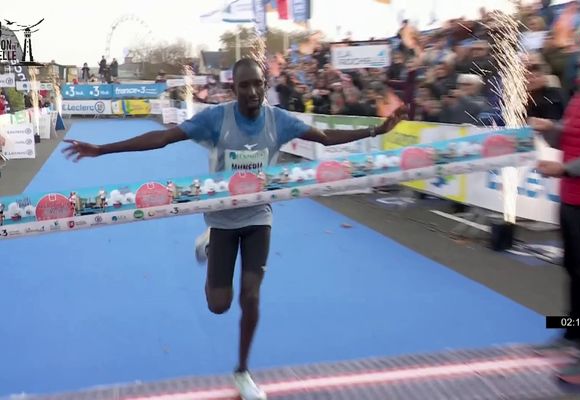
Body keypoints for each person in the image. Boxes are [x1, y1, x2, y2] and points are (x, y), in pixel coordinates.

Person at [62, 57, 404, 400]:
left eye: (258, 84)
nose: (252, 91)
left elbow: (325, 137)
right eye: (244, 85)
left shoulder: (278, 120)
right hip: (222, 219)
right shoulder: (216, 119)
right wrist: (102, 149)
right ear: (234, 88)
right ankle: (208, 244)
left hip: (258, 216)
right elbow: (164, 137)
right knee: (218, 305)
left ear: (264, 85)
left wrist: (376, 130)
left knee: (251, 295)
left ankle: (242, 372)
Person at [530, 50, 580, 385]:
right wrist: (549, 129)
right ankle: (576, 332)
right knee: (575, 270)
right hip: (572, 199)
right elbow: (570, 137)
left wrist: (566, 168)